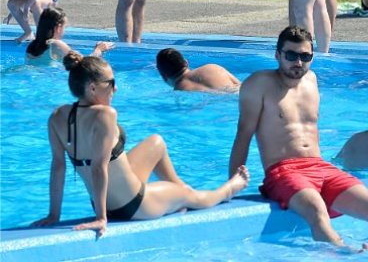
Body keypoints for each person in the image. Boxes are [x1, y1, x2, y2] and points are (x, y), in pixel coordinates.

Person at [229, 26, 368, 248]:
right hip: (284, 171)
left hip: (321, 167)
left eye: (305, 56)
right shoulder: (258, 84)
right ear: (277, 55)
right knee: (316, 211)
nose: (298, 62)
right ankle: (346, 253)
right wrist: (231, 185)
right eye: (291, 55)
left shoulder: (311, 81)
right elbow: (243, 136)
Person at [32, 52, 249, 236]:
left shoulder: (57, 116)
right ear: (92, 88)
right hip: (132, 205)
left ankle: (175, 191)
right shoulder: (105, 115)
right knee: (192, 196)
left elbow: (58, 167)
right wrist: (101, 218)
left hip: (107, 199)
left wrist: (54, 214)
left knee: (156, 142)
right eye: (111, 83)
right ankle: (226, 190)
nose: (115, 89)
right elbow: (99, 167)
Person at [25, 7, 114, 63]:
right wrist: (98, 50)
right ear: (58, 27)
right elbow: (83, 63)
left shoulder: (31, 45)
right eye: (64, 27)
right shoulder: (55, 44)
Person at [156, 48, 241, 92]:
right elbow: (241, 86)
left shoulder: (180, 92)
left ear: (164, 76)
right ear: (186, 63)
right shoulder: (213, 67)